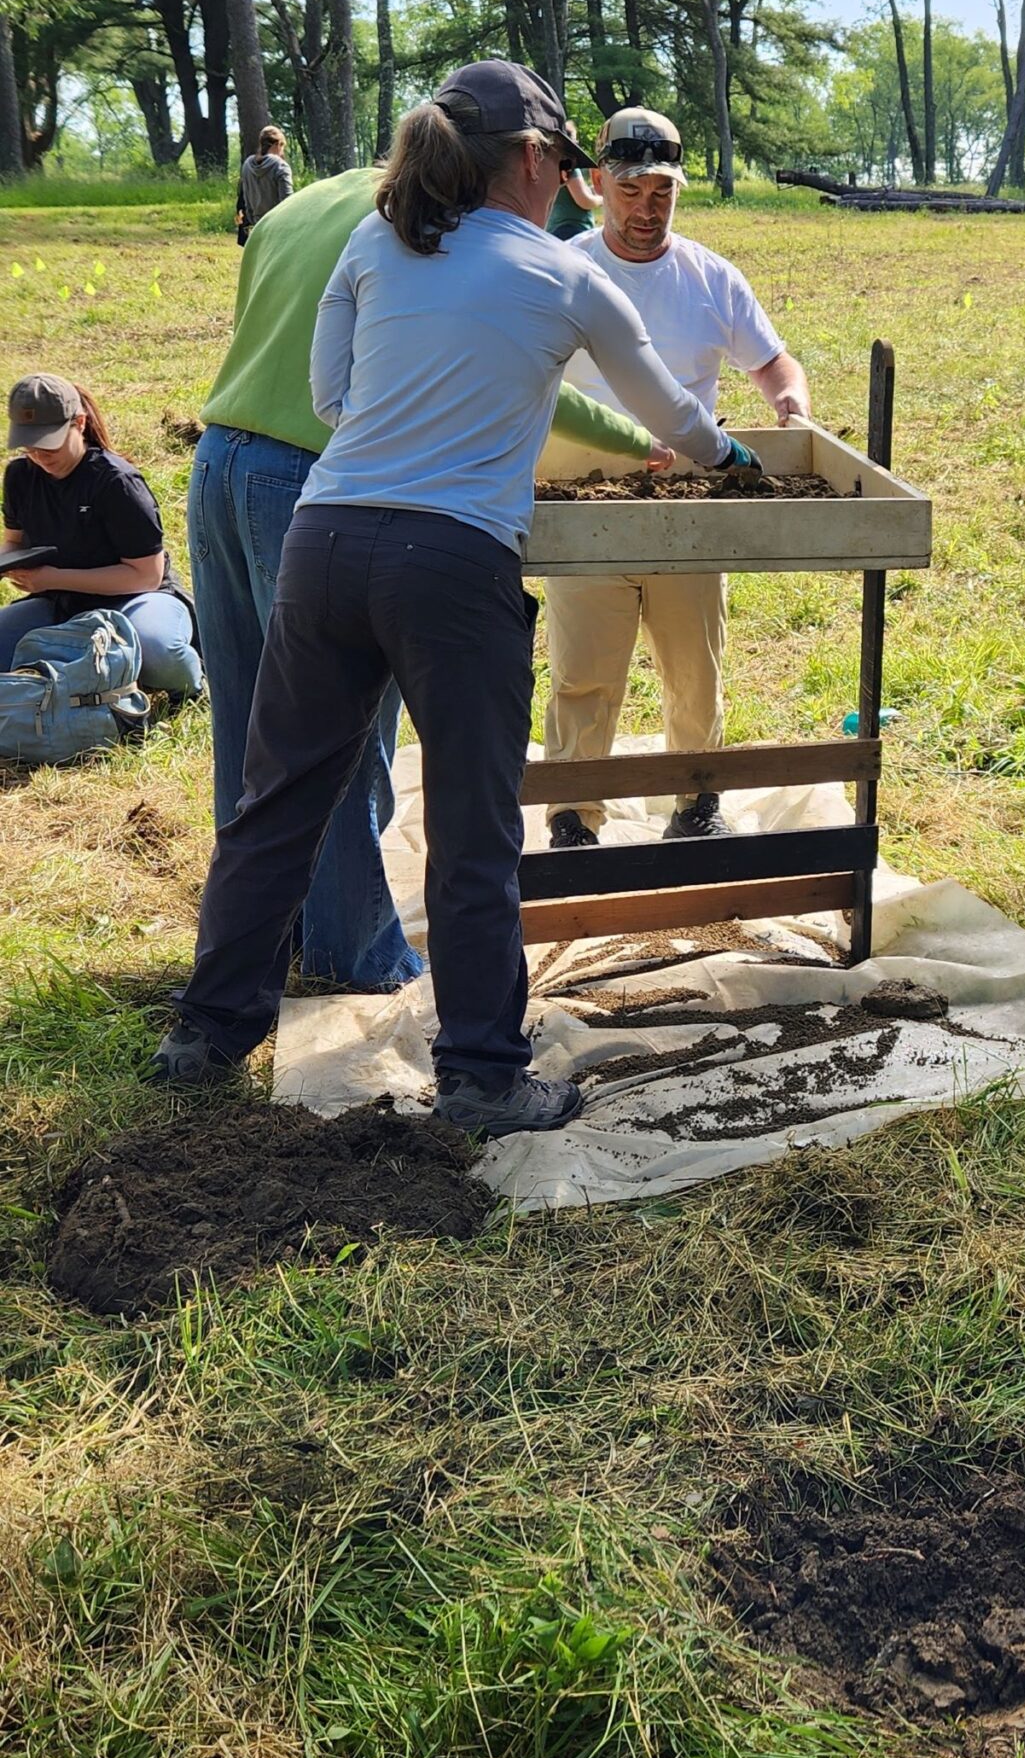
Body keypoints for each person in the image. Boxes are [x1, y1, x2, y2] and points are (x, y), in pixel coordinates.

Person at [152, 60, 753, 1138]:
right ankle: (480, 1073)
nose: (565, 182)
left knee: (277, 797)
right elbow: (669, 407)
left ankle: (205, 1031)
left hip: (325, 541)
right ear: (530, 162)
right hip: (454, 565)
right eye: (563, 163)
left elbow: (334, 399)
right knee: (473, 827)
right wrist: (728, 454)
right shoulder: (562, 276)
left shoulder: (374, 244)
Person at [192, 166, 662, 992]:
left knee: (259, 736)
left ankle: (252, 958)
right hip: (324, 481)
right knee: (346, 738)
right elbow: (521, 383)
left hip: (221, 460)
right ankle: (354, 953)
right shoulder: (436, 229)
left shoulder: (302, 207)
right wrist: (638, 443)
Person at [541, 104, 813, 849]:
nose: (646, 209)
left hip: (693, 499)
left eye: (662, 192)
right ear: (597, 185)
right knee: (584, 674)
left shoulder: (709, 277)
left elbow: (770, 360)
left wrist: (789, 398)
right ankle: (574, 814)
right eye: (630, 191)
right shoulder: (565, 270)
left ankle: (696, 803)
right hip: (585, 500)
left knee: (695, 669)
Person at [2, 374, 202, 697]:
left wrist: (53, 578)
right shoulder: (19, 477)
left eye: (48, 441)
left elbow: (146, 576)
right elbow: (13, 541)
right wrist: (10, 565)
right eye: (28, 443)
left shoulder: (116, 482)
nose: (38, 454)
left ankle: (196, 685)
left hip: (136, 599)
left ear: (79, 423)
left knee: (157, 649)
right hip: (59, 601)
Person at [235, 126, 293, 245]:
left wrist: (252, 221)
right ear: (278, 144)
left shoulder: (247, 165)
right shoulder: (281, 166)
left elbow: (246, 199)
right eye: (282, 147)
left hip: (257, 226)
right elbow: (288, 202)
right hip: (279, 227)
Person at [545, 121, 601, 240]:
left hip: (554, 230)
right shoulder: (569, 168)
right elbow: (584, 201)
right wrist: (602, 198)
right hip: (574, 230)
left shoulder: (550, 166)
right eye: (575, 140)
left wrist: (591, 189)